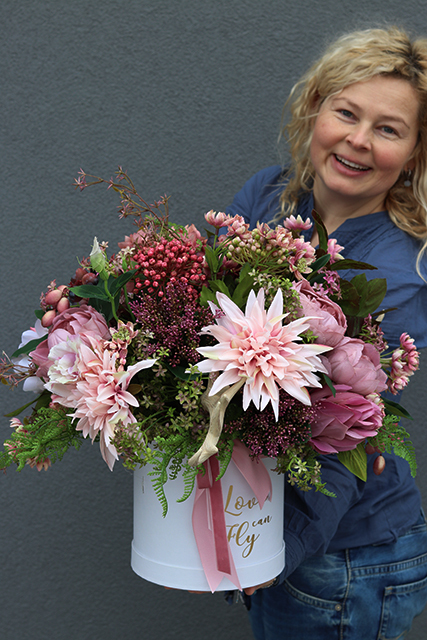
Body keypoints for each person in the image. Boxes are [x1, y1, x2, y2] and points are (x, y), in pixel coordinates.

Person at [225, 26, 427, 640]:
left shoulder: (399, 272)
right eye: (346, 112)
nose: (358, 140)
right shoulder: (266, 198)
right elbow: (196, 328)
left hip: (343, 556)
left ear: (416, 152)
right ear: (315, 109)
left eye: (389, 129)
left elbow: (344, 431)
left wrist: (278, 546)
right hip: (273, 520)